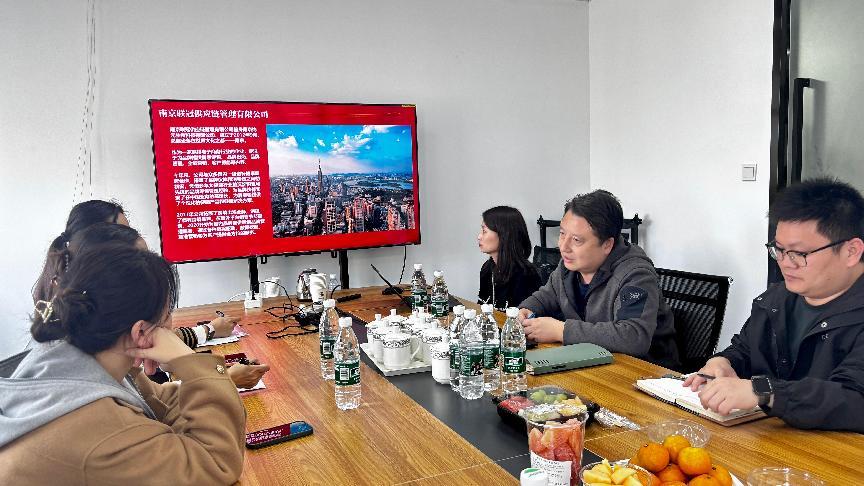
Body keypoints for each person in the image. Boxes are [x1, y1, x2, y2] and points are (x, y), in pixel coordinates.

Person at [0, 244, 246, 484]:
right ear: (141, 332)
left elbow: (161, 401)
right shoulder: (100, 429)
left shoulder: (68, 358)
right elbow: (217, 464)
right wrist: (189, 362)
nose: (170, 325)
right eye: (167, 316)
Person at [684, 178, 864, 432]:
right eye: (778, 249)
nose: (785, 263)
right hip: (770, 441)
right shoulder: (776, 300)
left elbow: (854, 400)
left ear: (851, 251)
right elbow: (745, 350)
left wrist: (764, 392)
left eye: (799, 253)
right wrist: (723, 362)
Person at [59, 222, 270, 389]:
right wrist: (213, 377)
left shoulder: (90, 357)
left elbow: (157, 398)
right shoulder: (104, 403)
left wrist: (208, 331)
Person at [518, 190, 680, 369]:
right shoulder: (570, 266)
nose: (563, 247)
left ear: (607, 245)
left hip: (642, 372)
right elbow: (547, 296)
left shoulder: (636, 274)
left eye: (576, 240)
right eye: (562, 233)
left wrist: (561, 331)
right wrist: (526, 309)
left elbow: (633, 337)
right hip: (590, 362)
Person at [477, 206, 542, 309]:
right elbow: (482, 308)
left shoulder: (526, 275)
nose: (479, 236)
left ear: (504, 235)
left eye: (484, 231)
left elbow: (528, 316)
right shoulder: (487, 269)